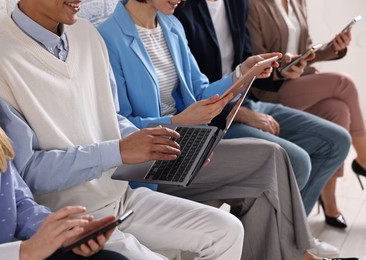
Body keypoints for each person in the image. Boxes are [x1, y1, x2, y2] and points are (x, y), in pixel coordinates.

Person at [0, 0, 245, 259]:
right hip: (68, 217)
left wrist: (167, 148)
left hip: (121, 198)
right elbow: (26, 173)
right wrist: (117, 152)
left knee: (227, 231)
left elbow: (111, 117)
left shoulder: (87, 34)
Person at [97, 1, 353, 259]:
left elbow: (200, 92)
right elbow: (119, 125)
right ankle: (301, 255)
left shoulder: (171, 25)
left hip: (188, 142)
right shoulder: (107, 37)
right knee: (270, 157)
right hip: (153, 157)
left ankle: (295, 254)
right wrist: (177, 122)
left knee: (263, 184)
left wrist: (243, 73)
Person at [0, 9, 127, 260]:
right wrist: (24, 252)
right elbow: (31, 172)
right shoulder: (2, 61)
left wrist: (61, 231)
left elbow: (17, 196)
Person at [247, 0, 366, 230]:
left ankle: (329, 201)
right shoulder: (253, 5)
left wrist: (334, 48)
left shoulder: (297, 1)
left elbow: (307, 49)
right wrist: (285, 67)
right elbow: (253, 55)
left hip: (298, 80)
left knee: (338, 110)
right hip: (270, 88)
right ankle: (364, 159)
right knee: (344, 83)